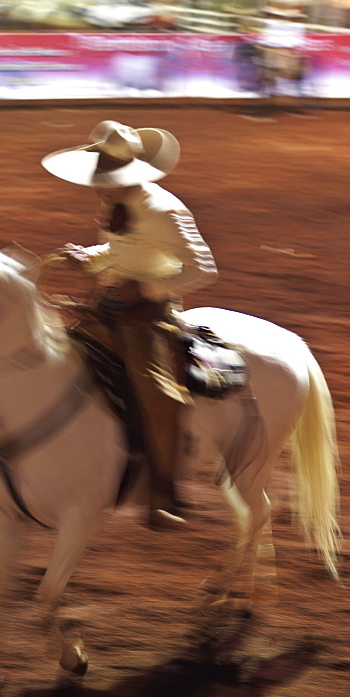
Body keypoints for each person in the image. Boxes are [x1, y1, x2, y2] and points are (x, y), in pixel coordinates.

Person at [42, 120, 217, 530]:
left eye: (108, 177)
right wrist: (90, 257)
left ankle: (164, 494)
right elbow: (119, 249)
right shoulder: (113, 202)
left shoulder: (165, 210)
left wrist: (150, 288)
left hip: (147, 320)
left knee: (158, 395)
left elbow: (203, 268)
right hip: (106, 306)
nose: (100, 186)